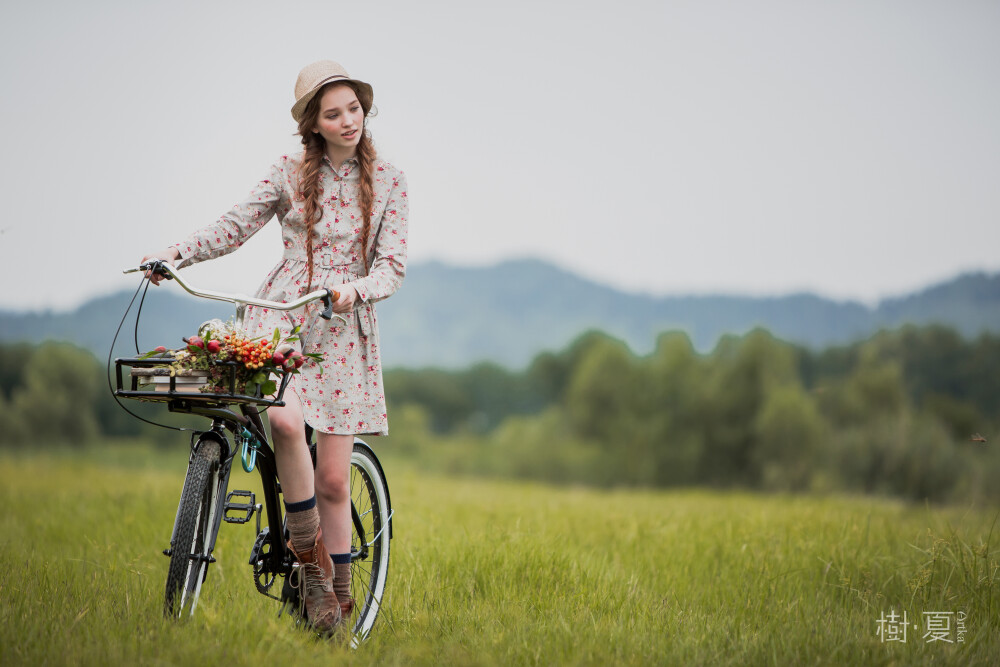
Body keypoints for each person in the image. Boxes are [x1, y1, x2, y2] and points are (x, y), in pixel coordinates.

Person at [141, 60, 408, 634]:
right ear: (312, 123)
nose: (347, 121)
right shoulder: (288, 171)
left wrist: (353, 291)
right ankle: (313, 579)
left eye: (354, 109)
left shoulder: (389, 179)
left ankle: (338, 609)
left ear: (365, 110)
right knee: (285, 425)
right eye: (333, 113)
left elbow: (392, 267)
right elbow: (238, 222)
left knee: (336, 481)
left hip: (342, 327)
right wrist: (177, 254)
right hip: (283, 316)